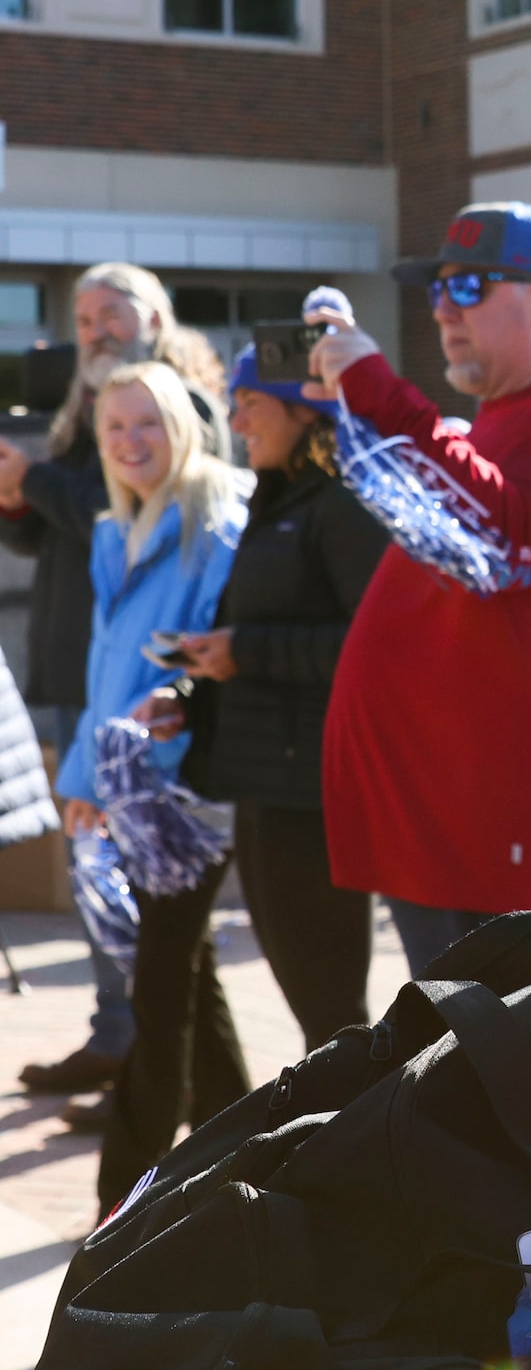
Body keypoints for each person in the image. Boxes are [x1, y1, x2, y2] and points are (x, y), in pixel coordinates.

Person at [306, 202, 531, 976]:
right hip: (470, 837)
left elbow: (507, 544)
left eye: (468, 287)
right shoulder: (509, 418)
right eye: (436, 291)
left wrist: (375, 388)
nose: (442, 311)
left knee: (521, 1088)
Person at [0, 263, 217, 1098]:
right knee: (97, 862)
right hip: (77, 656)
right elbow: (56, 536)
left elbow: (115, 506)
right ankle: (120, 1039)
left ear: (156, 318)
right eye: (84, 317)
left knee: (140, 873)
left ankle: (147, 1059)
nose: (94, 329)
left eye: (112, 314)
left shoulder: (175, 403)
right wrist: (18, 501)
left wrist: (37, 481)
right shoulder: (82, 406)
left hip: (143, 678)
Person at [151, 336, 391, 1049]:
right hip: (264, 785)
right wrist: (191, 693)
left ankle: (356, 1143)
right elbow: (250, 631)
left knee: (330, 1009)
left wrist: (245, 652)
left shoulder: (345, 503)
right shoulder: (275, 497)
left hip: (314, 795)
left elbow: (372, 645)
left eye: (250, 403)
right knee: (310, 1004)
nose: (238, 421)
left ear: (302, 410)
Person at [55, 361, 249, 1207]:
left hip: (185, 797)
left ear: (183, 423)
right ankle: (252, 1153)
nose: (132, 442)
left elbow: (202, 664)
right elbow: (105, 674)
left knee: (159, 991)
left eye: (148, 422)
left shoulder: (217, 513)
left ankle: (119, 1206)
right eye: (114, 429)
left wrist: (124, 769)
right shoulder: (118, 529)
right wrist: (84, 777)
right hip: (127, 791)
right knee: (187, 978)